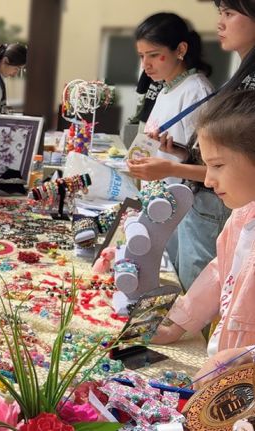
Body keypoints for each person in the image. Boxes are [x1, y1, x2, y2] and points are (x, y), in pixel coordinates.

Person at [152, 90, 255, 388]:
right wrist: (180, 323)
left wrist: (246, 357)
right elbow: (220, 271)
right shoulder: (242, 215)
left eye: (218, 165)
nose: (208, 180)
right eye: (206, 165)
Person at [127, 12, 228, 291]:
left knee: (193, 289)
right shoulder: (167, 89)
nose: (145, 64)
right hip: (173, 203)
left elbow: (217, 167)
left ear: (181, 50)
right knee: (173, 280)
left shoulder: (196, 92)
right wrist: (175, 152)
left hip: (196, 205)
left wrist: (170, 166)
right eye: (141, 56)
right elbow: (195, 152)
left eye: (154, 55)